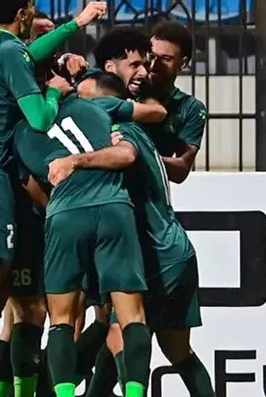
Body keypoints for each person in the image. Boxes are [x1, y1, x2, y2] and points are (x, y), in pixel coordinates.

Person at [0, 0, 107, 397]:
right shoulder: (9, 50)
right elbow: (38, 117)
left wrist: (72, 27)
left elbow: (24, 54)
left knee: (17, 299)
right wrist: (53, 91)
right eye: (32, 6)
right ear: (22, 12)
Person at [47, 82, 215, 397]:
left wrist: (74, 162)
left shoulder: (121, 134)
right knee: (175, 348)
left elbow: (125, 156)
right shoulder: (134, 132)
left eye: (84, 99)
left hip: (155, 253)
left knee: (117, 331)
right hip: (174, 249)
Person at [13, 63, 151, 397]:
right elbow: (153, 113)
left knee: (61, 319)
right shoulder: (94, 106)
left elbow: (30, 185)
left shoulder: (18, 132)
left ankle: (63, 394)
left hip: (65, 213)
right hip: (114, 208)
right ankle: (135, 394)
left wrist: (57, 204)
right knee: (132, 316)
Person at [144, 20, 208, 183]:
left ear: (183, 63)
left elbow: (181, 168)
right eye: (151, 56)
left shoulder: (190, 108)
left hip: (151, 192)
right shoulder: (125, 89)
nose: (154, 65)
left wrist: (138, 156)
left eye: (165, 59)